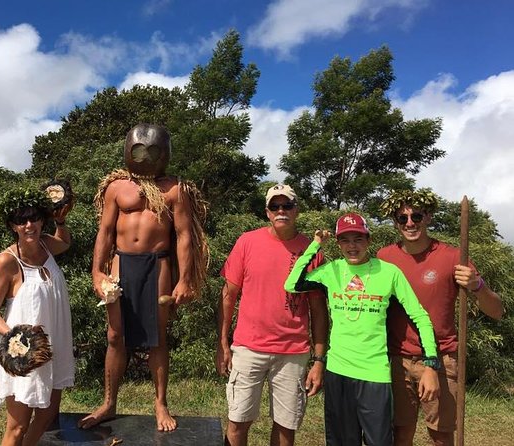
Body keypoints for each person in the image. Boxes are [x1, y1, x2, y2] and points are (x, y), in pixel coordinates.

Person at [79, 123, 208, 432]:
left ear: (164, 153)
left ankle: (160, 403)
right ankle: (109, 403)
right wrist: (98, 271)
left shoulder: (175, 189)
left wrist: (185, 279)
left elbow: (184, 236)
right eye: (140, 150)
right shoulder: (116, 187)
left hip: (157, 264)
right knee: (115, 335)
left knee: (157, 337)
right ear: (128, 150)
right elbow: (106, 231)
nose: (146, 157)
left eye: (153, 152)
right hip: (122, 264)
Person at [285, 212, 440, 446]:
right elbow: (292, 284)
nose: (352, 246)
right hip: (338, 372)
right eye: (345, 240)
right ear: (338, 244)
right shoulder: (332, 271)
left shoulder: (389, 272)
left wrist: (431, 361)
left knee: (379, 442)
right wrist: (315, 244)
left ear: (368, 240)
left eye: (358, 239)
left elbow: (420, 316)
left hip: (374, 374)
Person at [377, 190, 504, 446]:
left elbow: (497, 311)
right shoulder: (384, 258)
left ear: (429, 217)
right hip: (397, 358)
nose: (410, 223)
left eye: (417, 216)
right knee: (400, 433)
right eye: (402, 218)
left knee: (441, 435)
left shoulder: (453, 258)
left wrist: (477, 285)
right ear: (395, 222)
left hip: (442, 359)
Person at [216, 184, 328, 446]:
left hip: (293, 352)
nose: (281, 211)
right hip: (248, 348)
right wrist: (222, 343)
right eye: (274, 206)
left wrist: (319, 359)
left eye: (287, 205)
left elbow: (319, 310)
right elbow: (228, 295)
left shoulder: (312, 251)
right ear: (267, 212)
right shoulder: (247, 242)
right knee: (237, 422)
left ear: (296, 210)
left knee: (286, 427)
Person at [0, 187, 75, 445]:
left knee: (47, 414)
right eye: (21, 220)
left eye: (34, 217)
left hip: (52, 345)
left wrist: (61, 220)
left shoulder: (46, 244)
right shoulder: (7, 261)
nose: (29, 225)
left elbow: (65, 242)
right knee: (17, 425)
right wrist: (14, 336)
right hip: (23, 350)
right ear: (13, 225)